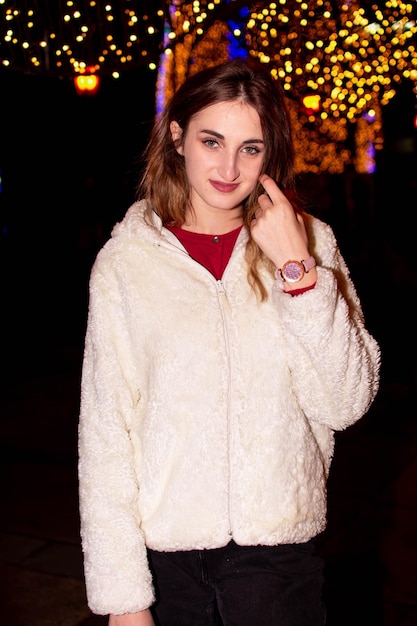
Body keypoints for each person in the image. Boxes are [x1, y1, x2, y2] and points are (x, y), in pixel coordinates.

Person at [78, 58, 380, 626]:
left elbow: (347, 402)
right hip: (164, 564)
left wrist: (297, 269)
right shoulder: (125, 264)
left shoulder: (310, 243)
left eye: (250, 147)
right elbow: (105, 436)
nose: (228, 167)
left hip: (278, 561)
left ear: (270, 155)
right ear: (177, 137)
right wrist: (124, 598)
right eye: (211, 140)